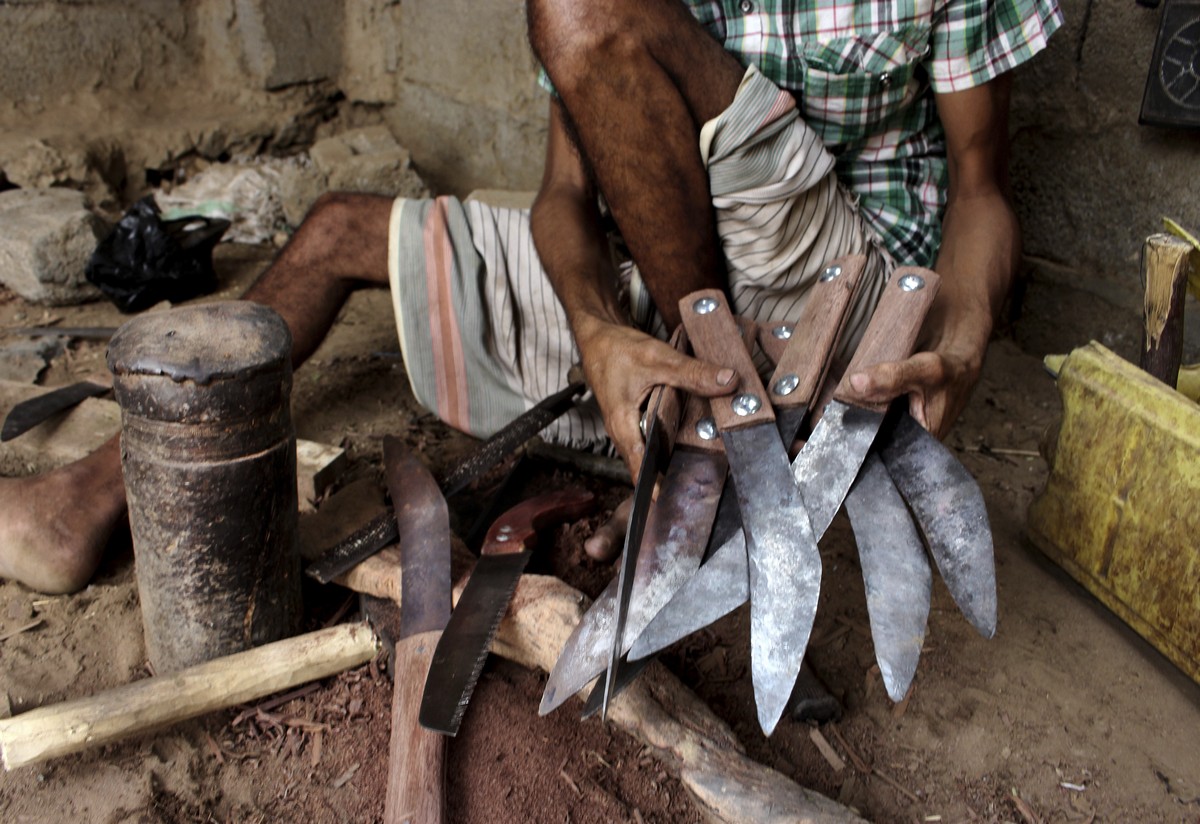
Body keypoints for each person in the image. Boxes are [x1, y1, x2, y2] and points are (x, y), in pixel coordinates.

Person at [0, 0, 1061, 595]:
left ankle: (725, 411)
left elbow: (981, 193)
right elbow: (564, 199)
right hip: (670, 266)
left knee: (583, 8)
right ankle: (80, 504)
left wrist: (964, 319)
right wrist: (597, 327)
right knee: (333, 231)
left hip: (834, 295)